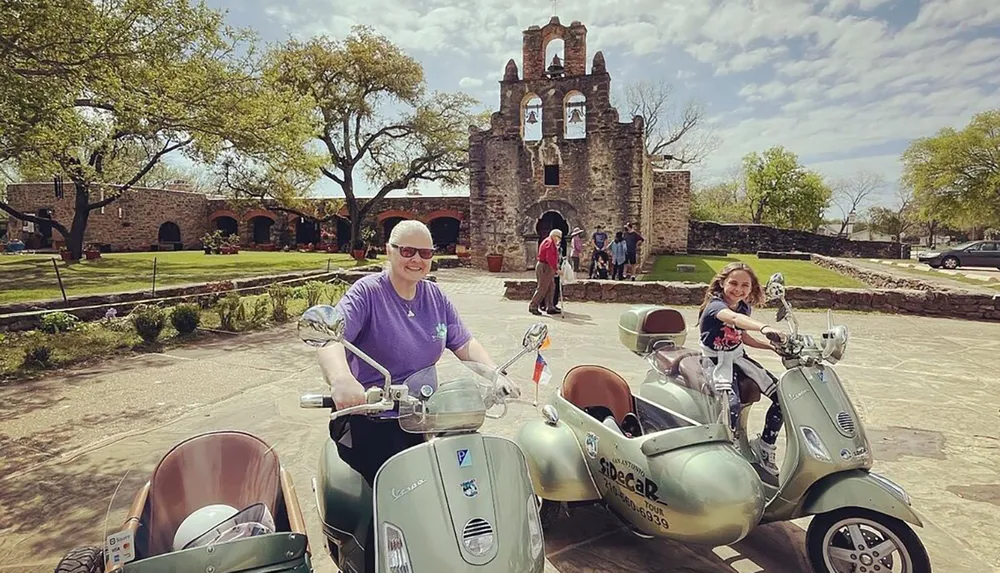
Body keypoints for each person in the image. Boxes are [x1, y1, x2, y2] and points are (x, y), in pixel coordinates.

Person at [314, 220, 520, 573]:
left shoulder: (435, 296)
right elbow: (329, 337)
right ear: (390, 251)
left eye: (424, 253)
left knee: (459, 482)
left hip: (427, 416)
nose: (416, 260)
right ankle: (380, 561)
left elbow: (463, 341)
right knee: (397, 498)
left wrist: (495, 374)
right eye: (407, 251)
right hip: (374, 416)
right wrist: (343, 379)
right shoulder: (368, 293)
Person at [697, 262, 786, 478]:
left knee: (783, 397)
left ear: (752, 287)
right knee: (731, 406)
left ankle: (765, 445)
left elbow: (743, 336)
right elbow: (734, 319)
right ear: (722, 283)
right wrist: (764, 327)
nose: (739, 289)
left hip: (738, 358)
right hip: (715, 361)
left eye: (745, 285)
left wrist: (772, 346)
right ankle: (730, 451)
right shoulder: (715, 306)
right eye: (733, 283)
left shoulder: (744, 306)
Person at [529, 229, 561, 315]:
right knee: (542, 287)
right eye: (559, 237)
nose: (559, 240)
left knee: (551, 286)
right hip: (545, 266)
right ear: (555, 236)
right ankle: (533, 305)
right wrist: (556, 269)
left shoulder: (550, 242)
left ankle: (550, 307)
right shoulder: (550, 242)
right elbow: (549, 257)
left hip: (547, 266)